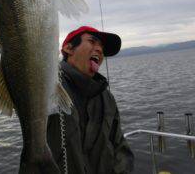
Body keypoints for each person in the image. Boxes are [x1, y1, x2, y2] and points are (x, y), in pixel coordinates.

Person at [47, 26, 134, 174]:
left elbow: (120, 145)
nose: (99, 49)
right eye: (92, 41)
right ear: (68, 48)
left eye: (102, 47)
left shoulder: (106, 97)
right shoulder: (46, 86)